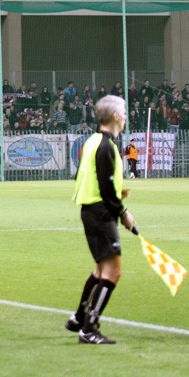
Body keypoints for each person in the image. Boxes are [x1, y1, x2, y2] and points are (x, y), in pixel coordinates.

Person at [66, 95, 136, 345]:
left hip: (91, 210)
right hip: (101, 212)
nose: (125, 118)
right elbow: (105, 187)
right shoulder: (106, 146)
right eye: (124, 113)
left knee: (100, 270)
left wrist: (116, 192)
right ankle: (89, 328)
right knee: (113, 272)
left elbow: (90, 178)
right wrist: (123, 213)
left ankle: (79, 318)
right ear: (115, 116)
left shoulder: (92, 141)